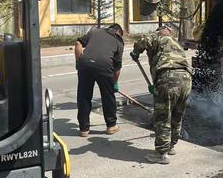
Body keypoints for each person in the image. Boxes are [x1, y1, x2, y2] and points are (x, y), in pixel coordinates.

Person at [131, 25, 191, 164]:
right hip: (186, 79)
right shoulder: (175, 42)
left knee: (163, 116)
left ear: (160, 31)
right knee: (177, 114)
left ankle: (161, 154)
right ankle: (171, 146)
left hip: (168, 78)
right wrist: (157, 85)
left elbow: (144, 40)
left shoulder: (157, 36)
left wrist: (135, 52)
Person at [75, 23, 124, 137]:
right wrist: (114, 83)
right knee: (108, 96)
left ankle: (84, 129)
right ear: (119, 32)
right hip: (104, 66)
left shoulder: (95, 31)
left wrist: (79, 62)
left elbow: (78, 43)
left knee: (84, 96)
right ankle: (111, 126)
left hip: (85, 65)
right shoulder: (119, 41)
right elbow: (117, 67)